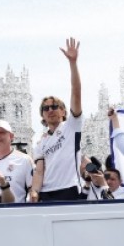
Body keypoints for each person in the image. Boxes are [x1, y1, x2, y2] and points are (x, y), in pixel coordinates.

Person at [30, 37, 84, 202]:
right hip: (47, 193)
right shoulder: (40, 143)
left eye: (54, 107)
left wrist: (73, 63)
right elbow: (39, 171)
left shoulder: (71, 126)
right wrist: (34, 192)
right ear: (42, 115)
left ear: (63, 111)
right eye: (46, 108)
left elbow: (76, 91)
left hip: (70, 189)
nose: (50, 110)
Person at [0, 120, 34, 203]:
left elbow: (33, 189)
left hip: (16, 212)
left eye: (2, 132)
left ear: (11, 136)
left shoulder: (25, 160)